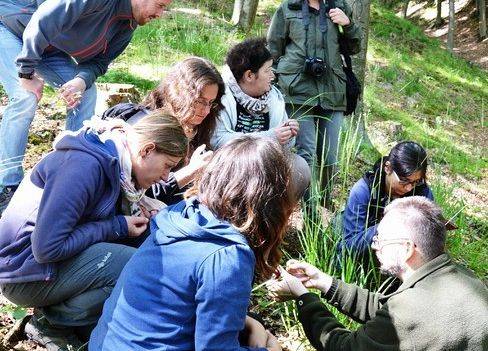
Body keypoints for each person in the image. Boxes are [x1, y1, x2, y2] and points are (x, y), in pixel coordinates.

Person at [0, 112, 188, 350]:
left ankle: (85, 318)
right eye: (167, 166)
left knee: (146, 245)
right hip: (23, 271)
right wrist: (117, 226)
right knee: (131, 264)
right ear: (147, 150)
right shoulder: (84, 166)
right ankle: (51, 322)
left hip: (43, 263)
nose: (165, 177)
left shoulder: (116, 163)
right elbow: (46, 249)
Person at [89, 135, 295, 351]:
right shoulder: (227, 255)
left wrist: (248, 323)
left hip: (105, 344)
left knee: (255, 326)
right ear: (271, 200)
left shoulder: (179, 215)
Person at [0, 0, 173, 215]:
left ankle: (67, 173)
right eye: (160, 5)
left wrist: (80, 81)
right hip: (9, 26)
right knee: (25, 95)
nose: (161, 13)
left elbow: (100, 62)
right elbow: (43, 20)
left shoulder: (126, 27)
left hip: (48, 48)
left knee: (87, 92)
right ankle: (8, 185)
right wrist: (26, 72)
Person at [267, 196, 488, 351]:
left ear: (407, 248)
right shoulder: (465, 280)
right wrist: (323, 282)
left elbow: (343, 347)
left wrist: (303, 297)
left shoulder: (411, 311)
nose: (375, 246)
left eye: (380, 240)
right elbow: (386, 310)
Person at [267, 0, 362, 205]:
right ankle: (310, 210)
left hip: (333, 90)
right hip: (297, 90)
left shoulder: (339, 7)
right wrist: (272, 78)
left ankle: (326, 202)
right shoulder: (288, 8)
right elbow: (273, 48)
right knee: (306, 152)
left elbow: (355, 47)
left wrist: (347, 25)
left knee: (330, 157)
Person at [102, 56, 225, 204]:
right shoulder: (149, 127)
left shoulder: (200, 126)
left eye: (210, 103)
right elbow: (136, 193)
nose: (205, 111)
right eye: (200, 101)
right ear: (179, 94)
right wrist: (189, 172)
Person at [211, 38, 310, 200]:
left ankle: (277, 218)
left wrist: (287, 134)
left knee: (299, 166)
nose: (273, 75)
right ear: (250, 75)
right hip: (229, 167)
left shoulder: (274, 97)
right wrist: (271, 136)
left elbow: (284, 148)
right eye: (267, 70)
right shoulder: (222, 96)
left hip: (264, 166)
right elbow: (218, 141)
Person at [339, 141, 434, 258]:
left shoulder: (421, 191)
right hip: (366, 256)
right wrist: (387, 226)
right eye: (404, 181)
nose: (409, 187)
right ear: (388, 168)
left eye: (415, 182)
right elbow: (348, 246)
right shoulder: (363, 191)